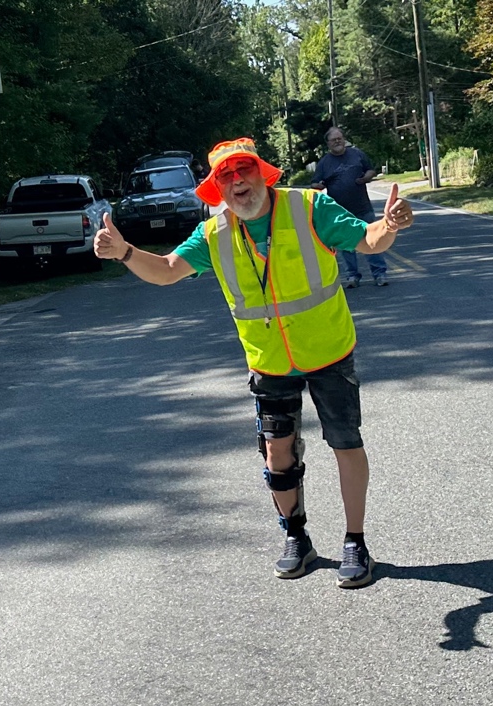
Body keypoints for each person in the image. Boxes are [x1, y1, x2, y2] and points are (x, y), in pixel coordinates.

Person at [93, 137, 415, 587]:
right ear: (218, 189)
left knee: (345, 443)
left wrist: (390, 224)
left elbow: (368, 240)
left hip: (328, 351)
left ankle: (355, 541)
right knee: (277, 452)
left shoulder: (309, 208)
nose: (237, 180)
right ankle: (296, 536)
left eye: (244, 169)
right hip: (269, 362)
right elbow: (166, 271)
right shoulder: (214, 234)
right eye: (226, 175)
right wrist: (125, 252)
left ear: (262, 174)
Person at [311, 127, 388, 288]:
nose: (337, 141)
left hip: (363, 207)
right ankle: (352, 276)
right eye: (334, 140)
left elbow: (370, 170)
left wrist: (366, 177)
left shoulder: (357, 154)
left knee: (372, 240)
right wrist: (319, 185)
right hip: (340, 212)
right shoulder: (324, 163)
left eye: (340, 138)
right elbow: (314, 183)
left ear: (344, 139)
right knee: (346, 245)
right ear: (328, 144)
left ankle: (379, 274)